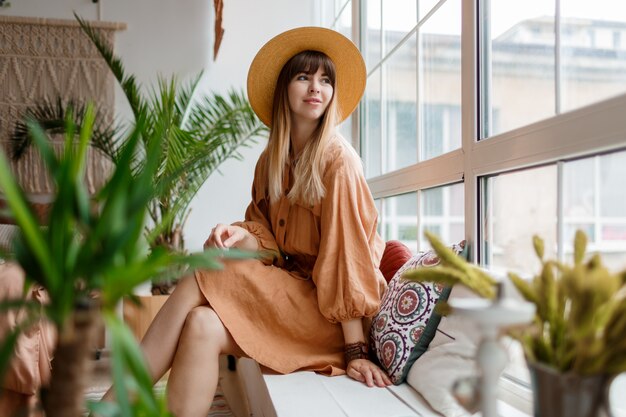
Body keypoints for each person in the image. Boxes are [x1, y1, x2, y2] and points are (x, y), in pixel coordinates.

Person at [104, 26, 391, 417]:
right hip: (292, 297)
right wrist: (238, 234)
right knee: (202, 325)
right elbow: (269, 241)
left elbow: (349, 260)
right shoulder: (271, 162)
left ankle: (109, 407)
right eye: (303, 77)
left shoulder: (338, 163)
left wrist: (355, 350)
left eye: (325, 79)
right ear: (284, 90)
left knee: (203, 273)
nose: (315, 88)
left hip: (332, 319)